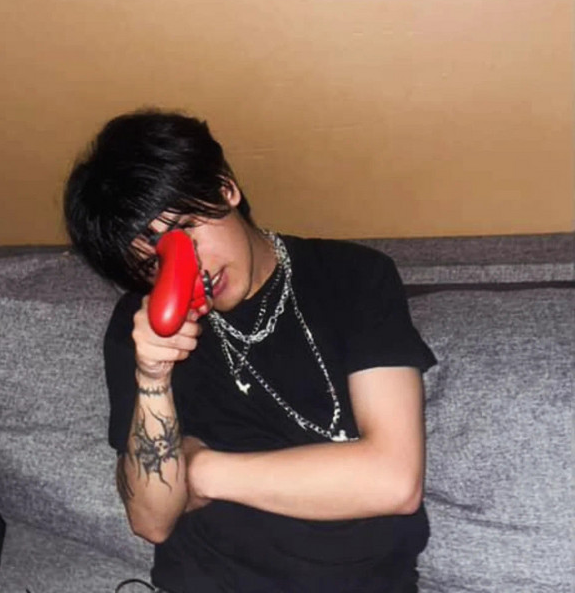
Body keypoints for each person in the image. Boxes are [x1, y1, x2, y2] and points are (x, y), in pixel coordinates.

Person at [63, 108, 436, 593]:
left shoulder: (353, 276)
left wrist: (202, 471)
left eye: (185, 230)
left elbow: (394, 481)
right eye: (153, 264)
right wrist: (153, 376)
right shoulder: (141, 327)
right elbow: (151, 520)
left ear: (225, 189)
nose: (192, 271)